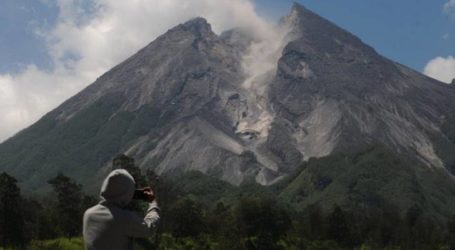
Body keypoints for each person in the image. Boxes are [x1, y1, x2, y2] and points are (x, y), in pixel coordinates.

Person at [83, 169, 159, 250]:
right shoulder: (124, 218)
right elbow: (149, 228)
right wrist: (153, 203)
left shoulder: (88, 214)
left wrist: (127, 194)